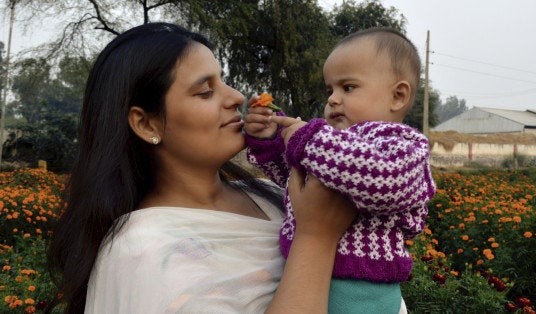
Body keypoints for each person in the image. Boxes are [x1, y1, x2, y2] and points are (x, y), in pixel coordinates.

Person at [47, 22, 356, 313]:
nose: (236, 97)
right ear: (146, 123)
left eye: (222, 81)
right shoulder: (144, 252)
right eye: (205, 91)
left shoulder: (271, 194)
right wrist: (315, 238)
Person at [244, 28, 436, 313]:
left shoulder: (403, 145)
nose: (333, 99)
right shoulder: (333, 147)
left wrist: (306, 140)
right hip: (308, 274)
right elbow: (296, 183)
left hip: (362, 292)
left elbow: (381, 178)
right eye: (329, 90)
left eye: (347, 87)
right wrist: (271, 141)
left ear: (397, 96)